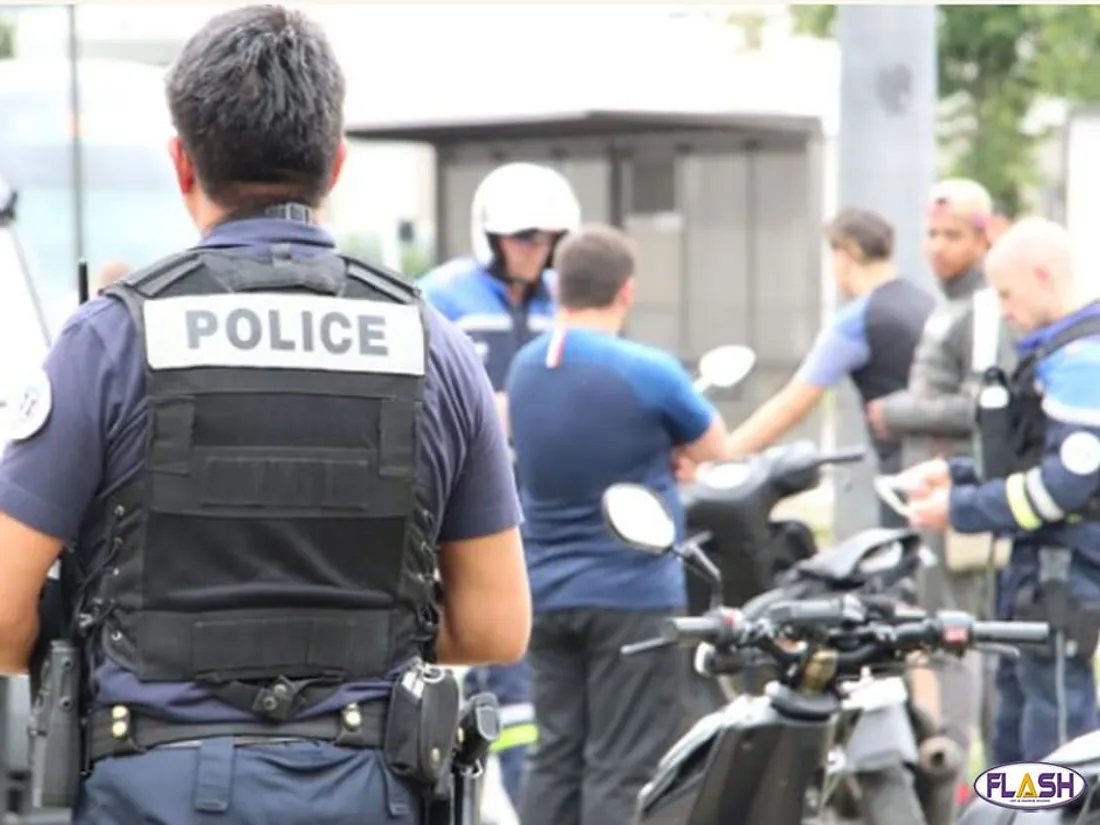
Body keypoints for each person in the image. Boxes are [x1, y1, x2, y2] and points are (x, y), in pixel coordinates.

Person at [0, 6, 531, 823]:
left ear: (183, 162)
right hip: (369, 786)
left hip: (157, 787)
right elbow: (496, 625)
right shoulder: (437, 346)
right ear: (337, 162)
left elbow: (1, 608)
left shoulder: (107, 342)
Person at [507, 224, 730, 825]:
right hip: (631, 593)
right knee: (621, 765)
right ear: (626, 291)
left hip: (546, 594)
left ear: (559, 288)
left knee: (553, 756)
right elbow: (715, 447)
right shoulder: (647, 370)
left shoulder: (526, 369)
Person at [419, 161, 582, 813]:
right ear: (490, 235)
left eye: (545, 240)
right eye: (522, 238)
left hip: (542, 503)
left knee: (524, 677)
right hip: (463, 507)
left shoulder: (560, 304)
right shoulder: (443, 296)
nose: (534, 252)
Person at [906, 217, 1100, 764]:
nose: (1003, 309)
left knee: (1058, 744)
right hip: (1037, 571)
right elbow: (1034, 456)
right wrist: (960, 477)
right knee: (1013, 733)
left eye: (1007, 293)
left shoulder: (1085, 360)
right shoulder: (1057, 352)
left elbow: (1066, 485)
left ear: (1042, 276)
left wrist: (962, 508)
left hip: (1067, 577)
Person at [864, 178, 1010, 787]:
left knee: (957, 637)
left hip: (961, 500)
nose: (938, 247)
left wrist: (897, 411)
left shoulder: (980, 308)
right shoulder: (949, 303)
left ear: (984, 238)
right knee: (952, 635)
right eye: (931, 233)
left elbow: (984, 405)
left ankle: (964, 779)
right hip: (936, 496)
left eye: (953, 235)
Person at [717, 207, 935, 517]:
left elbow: (792, 405)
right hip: (945, 470)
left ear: (846, 253)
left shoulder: (858, 320)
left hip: (903, 478)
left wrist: (719, 458)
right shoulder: (925, 302)